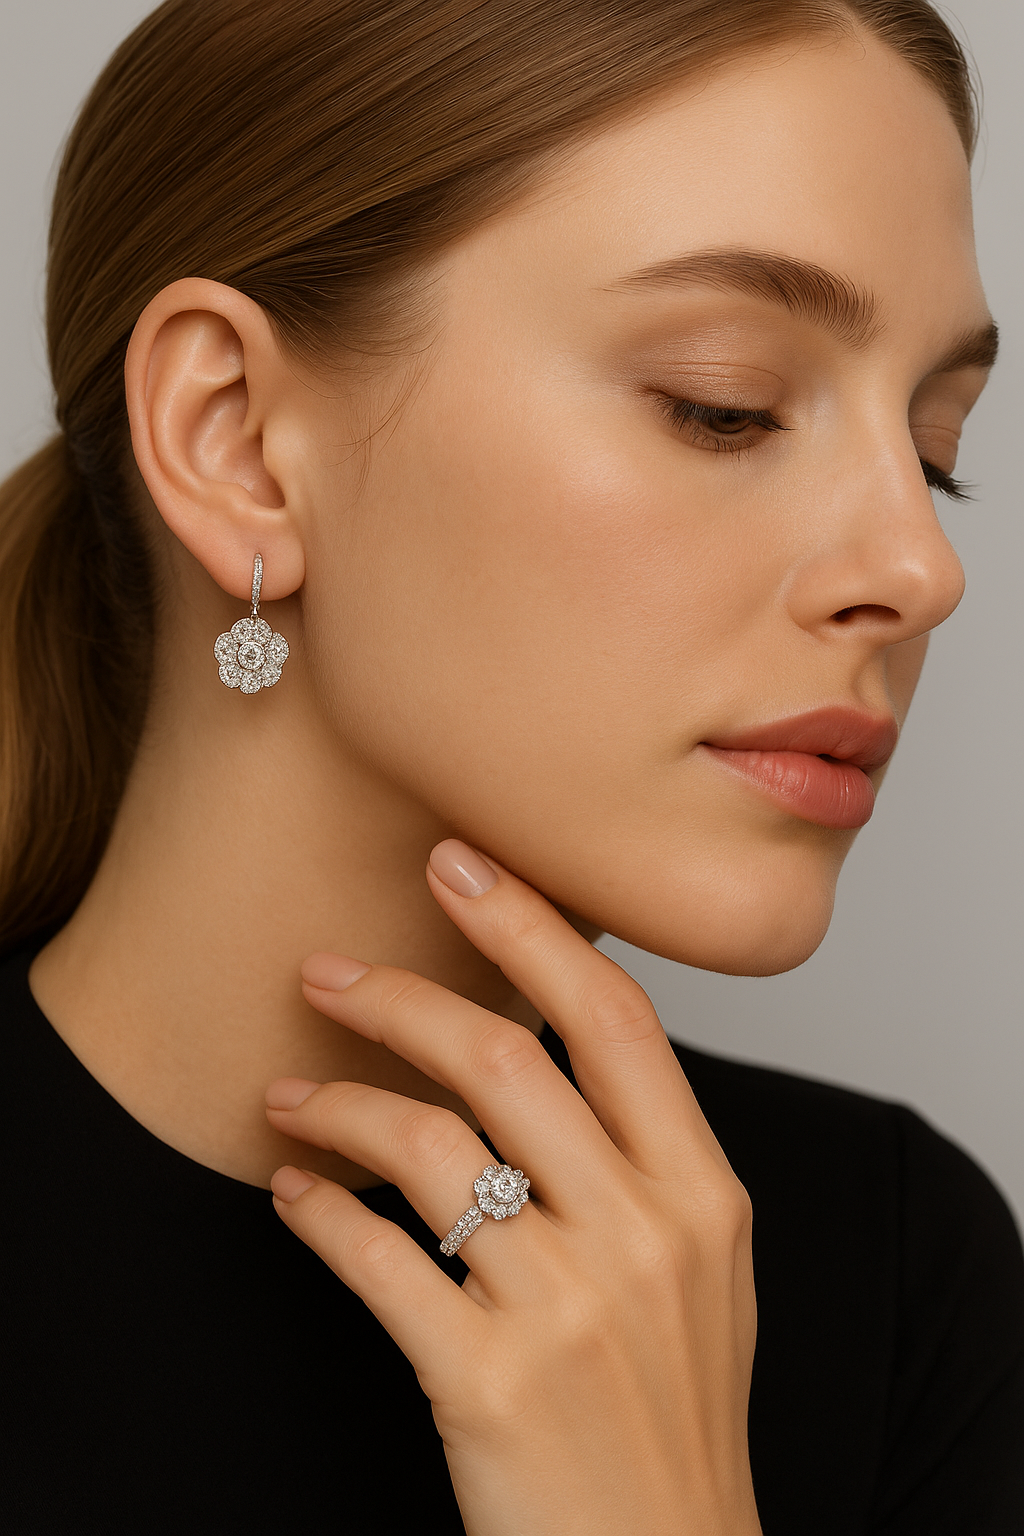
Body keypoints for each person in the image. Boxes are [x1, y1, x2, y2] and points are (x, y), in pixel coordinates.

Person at [2, 0, 1022, 1530]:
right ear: (237, 442)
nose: (921, 568)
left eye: (935, 450)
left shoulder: (895, 1273)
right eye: (726, 405)